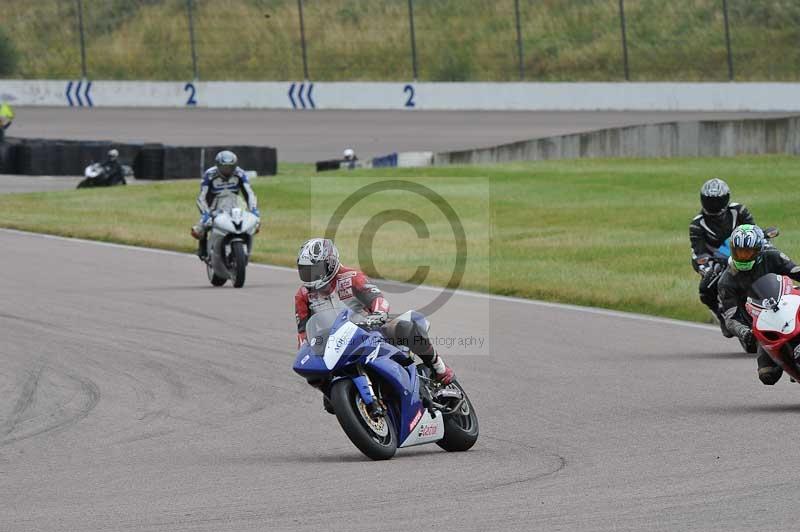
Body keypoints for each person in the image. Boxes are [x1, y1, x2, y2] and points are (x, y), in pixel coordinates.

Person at [294, 238, 454, 410]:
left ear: (330, 264)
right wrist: (309, 350)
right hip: (337, 344)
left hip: (369, 329)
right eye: (306, 271)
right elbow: (303, 334)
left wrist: (378, 314)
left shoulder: (351, 277)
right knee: (326, 395)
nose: (311, 276)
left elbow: (377, 299)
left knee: (405, 327)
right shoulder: (303, 295)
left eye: (315, 270)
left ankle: (439, 368)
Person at [718, 224, 800, 385]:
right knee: (767, 375)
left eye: (748, 252)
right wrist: (744, 332)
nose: (743, 257)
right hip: (762, 325)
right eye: (739, 252)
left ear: (759, 250)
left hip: (787, 306)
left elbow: (795, 270)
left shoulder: (773, 256)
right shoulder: (726, 281)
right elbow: (730, 317)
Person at [689, 178, 755, 335]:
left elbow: (754, 231)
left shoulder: (739, 211)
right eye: (710, 201)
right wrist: (707, 267)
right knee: (705, 287)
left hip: (744, 255)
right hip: (716, 262)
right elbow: (698, 253)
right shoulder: (697, 224)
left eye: (718, 200)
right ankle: (720, 315)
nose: (714, 205)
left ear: (726, 198)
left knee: (772, 262)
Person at [192, 150, 259, 259]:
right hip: (214, 206)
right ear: (218, 165)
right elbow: (201, 197)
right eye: (224, 167)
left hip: (235, 204)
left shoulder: (240, 173)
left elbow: (249, 193)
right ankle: (203, 248)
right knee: (198, 230)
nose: (227, 170)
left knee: (255, 224)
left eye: (230, 167)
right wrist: (205, 214)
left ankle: (246, 247)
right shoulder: (209, 174)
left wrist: (254, 210)